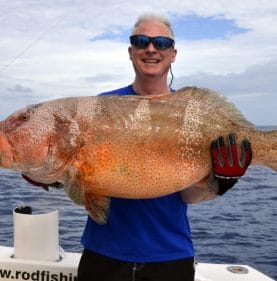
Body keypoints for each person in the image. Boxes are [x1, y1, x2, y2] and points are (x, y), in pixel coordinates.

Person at [77, 14, 252, 281]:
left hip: (169, 259)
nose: (150, 48)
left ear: (173, 54)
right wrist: (48, 173)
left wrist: (221, 180)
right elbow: (85, 175)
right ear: (130, 51)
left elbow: (188, 196)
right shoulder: (103, 106)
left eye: (161, 42)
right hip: (103, 257)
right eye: (141, 41)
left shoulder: (192, 111)